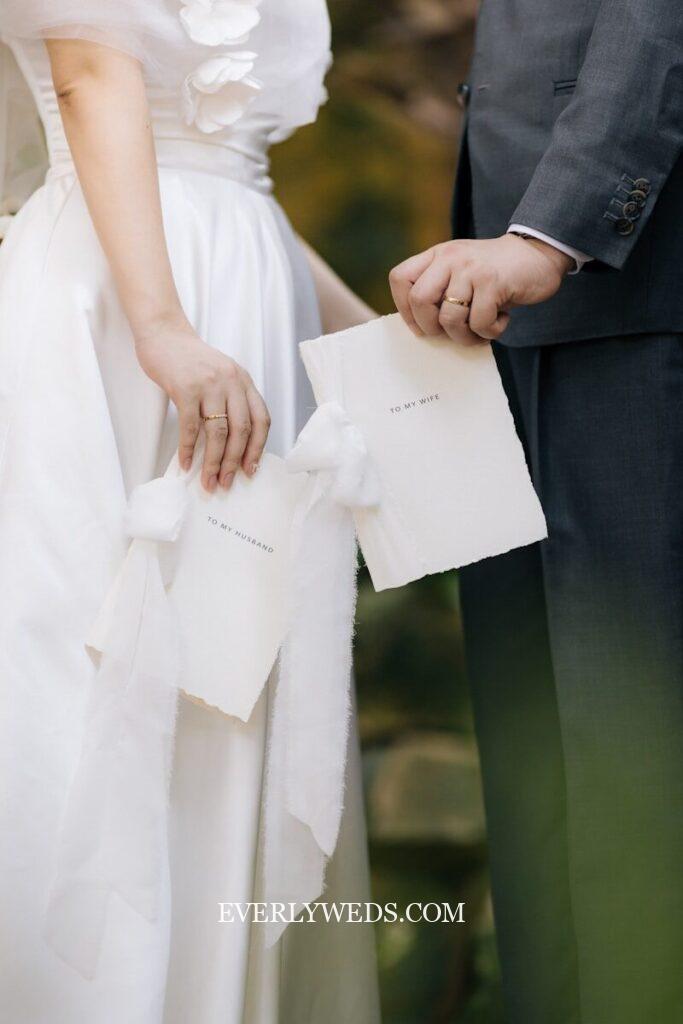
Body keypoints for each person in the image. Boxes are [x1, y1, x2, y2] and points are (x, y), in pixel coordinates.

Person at [0, 2, 380, 1022]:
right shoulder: (147, 307)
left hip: (240, 287)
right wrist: (161, 327)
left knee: (233, 673)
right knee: (94, 653)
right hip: (121, 302)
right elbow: (87, 75)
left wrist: (372, 347)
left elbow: (235, 182)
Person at [390, 3, 683, 1023]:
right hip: (506, 327)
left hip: (628, 294)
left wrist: (550, 231)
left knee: (632, 736)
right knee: (534, 758)